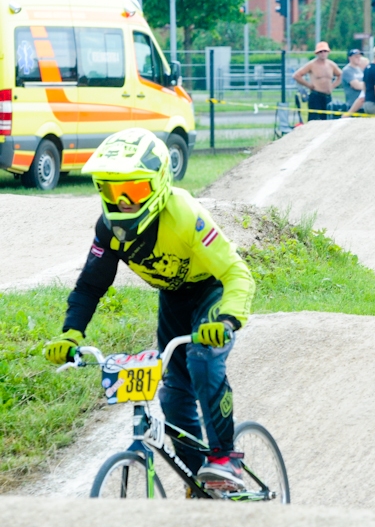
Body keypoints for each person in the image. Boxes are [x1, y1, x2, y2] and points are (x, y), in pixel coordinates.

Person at [42, 129, 255, 491]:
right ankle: (199, 484)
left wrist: (226, 320)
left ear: (158, 183)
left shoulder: (185, 214)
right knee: (173, 398)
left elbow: (237, 273)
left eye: (135, 190)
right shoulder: (109, 228)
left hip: (211, 293)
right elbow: (90, 286)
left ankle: (225, 458)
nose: (123, 201)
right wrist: (71, 332)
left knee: (202, 360)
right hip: (172, 298)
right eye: (112, 190)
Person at [293, 41, 342, 120]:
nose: (323, 53)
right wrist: (308, 85)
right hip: (316, 95)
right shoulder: (312, 64)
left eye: (325, 51)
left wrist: (333, 86)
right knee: (314, 119)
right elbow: (297, 75)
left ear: (328, 52)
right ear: (317, 53)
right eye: (320, 51)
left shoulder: (331, 65)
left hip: (327, 96)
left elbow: (341, 75)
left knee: (328, 119)